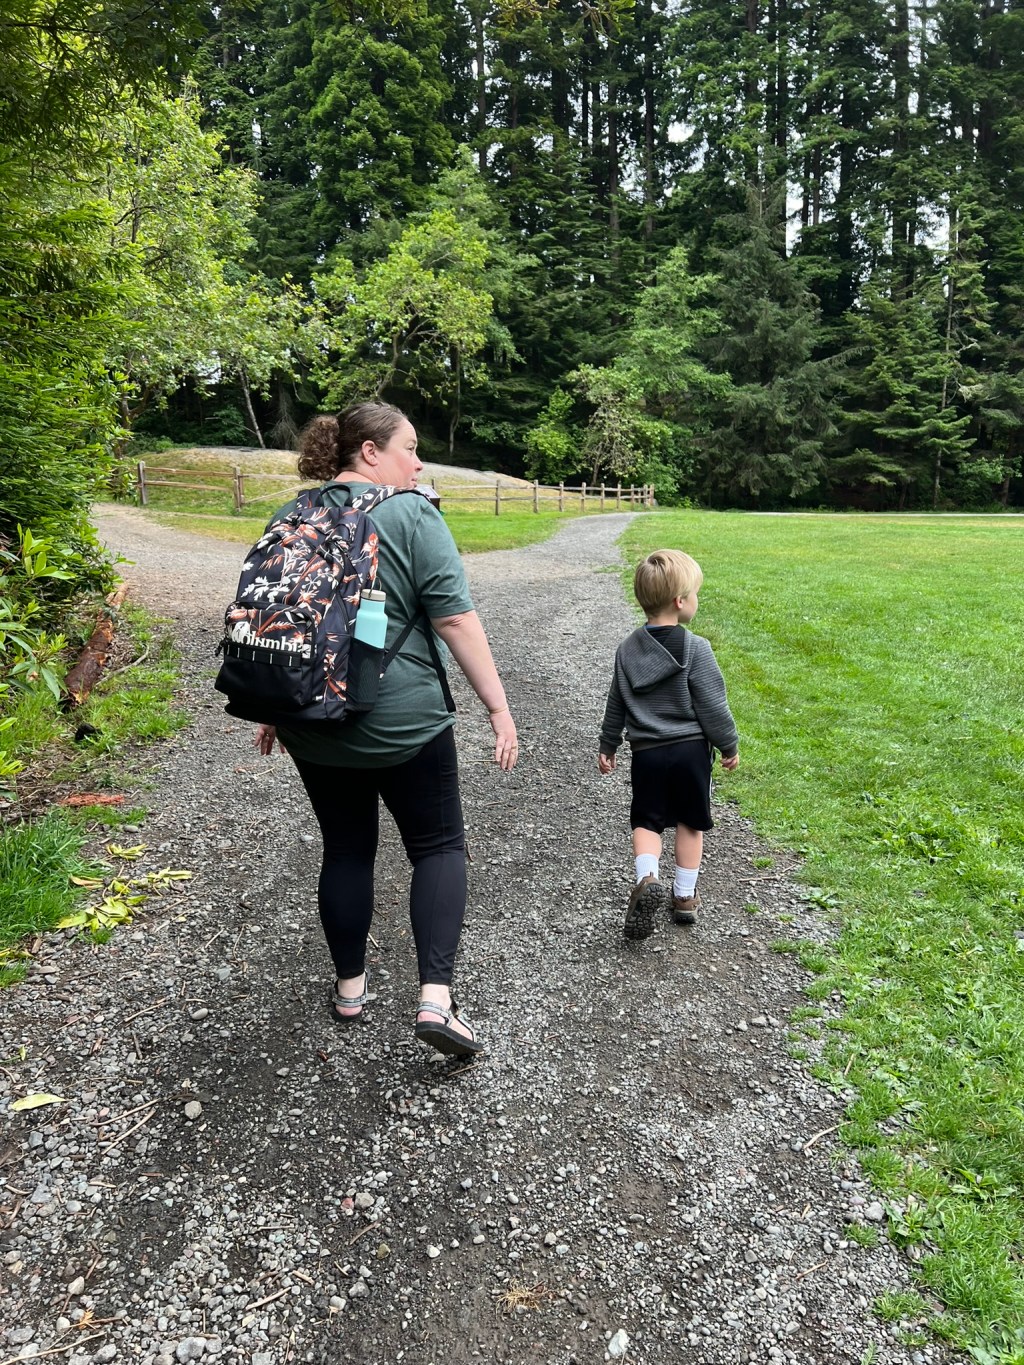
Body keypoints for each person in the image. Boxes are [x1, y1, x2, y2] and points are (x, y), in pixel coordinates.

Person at [253, 401, 518, 1056]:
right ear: (369, 452)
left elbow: (276, 616)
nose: (418, 463)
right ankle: (436, 1001)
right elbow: (454, 619)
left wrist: (273, 707)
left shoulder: (293, 514)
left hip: (313, 720)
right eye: (410, 447)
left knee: (346, 849)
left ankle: (350, 990)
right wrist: (497, 707)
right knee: (438, 846)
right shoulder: (412, 515)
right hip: (405, 721)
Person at [598, 548, 739, 941]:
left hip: (646, 754)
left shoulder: (627, 650)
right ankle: (684, 897)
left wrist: (608, 744)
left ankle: (647, 878)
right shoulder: (696, 648)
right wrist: (728, 745)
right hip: (691, 752)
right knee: (690, 822)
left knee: (646, 821)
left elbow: (616, 702)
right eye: (695, 594)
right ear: (680, 601)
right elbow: (712, 706)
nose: (696, 600)